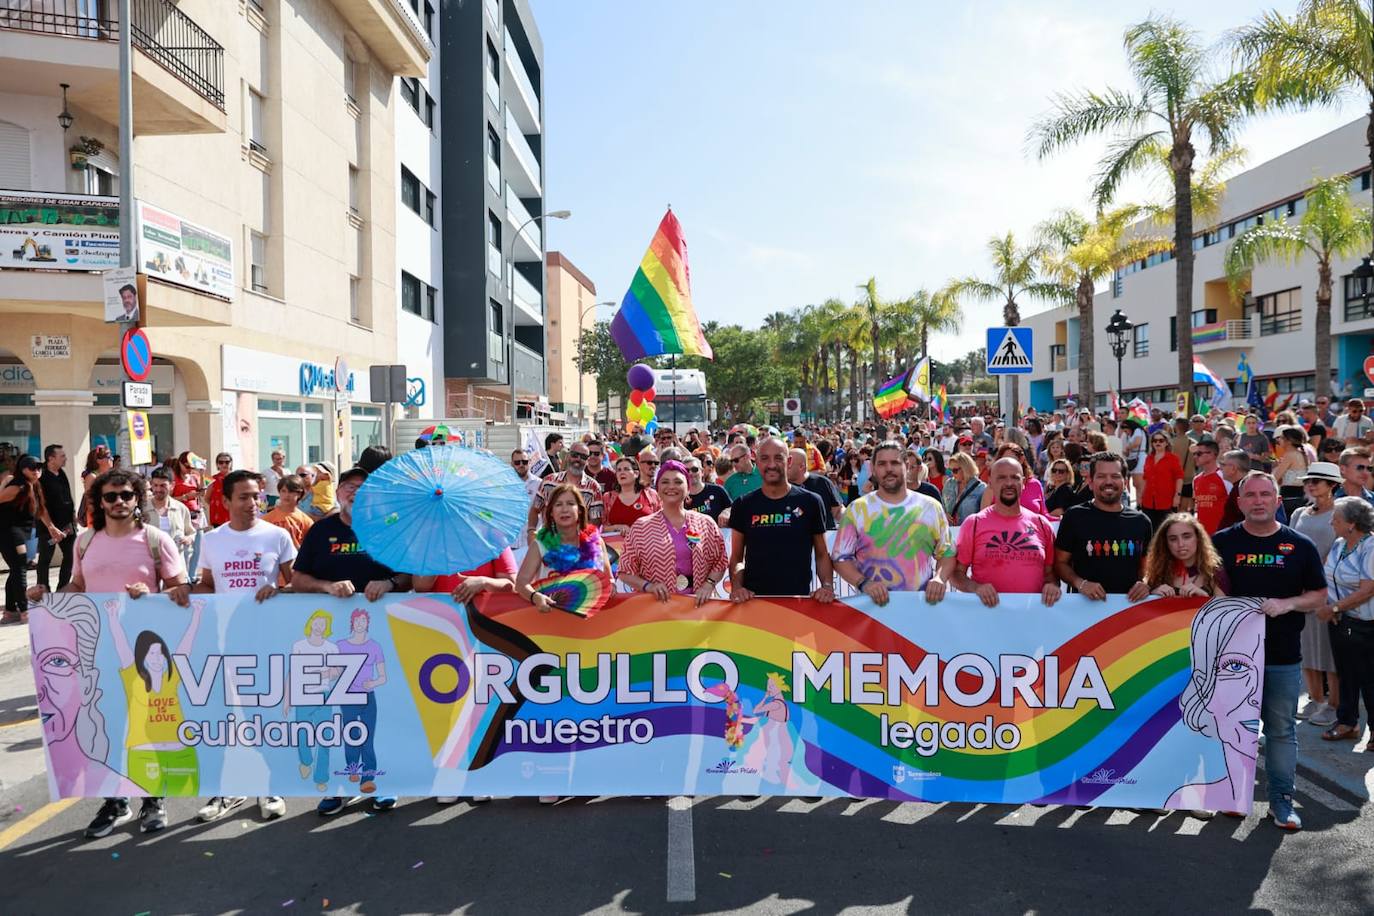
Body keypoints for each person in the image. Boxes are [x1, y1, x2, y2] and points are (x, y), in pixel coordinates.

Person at [32, 468, 191, 837]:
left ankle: (154, 798)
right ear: (99, 502)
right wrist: (48, 601)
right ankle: (115, 801)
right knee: (107, 727)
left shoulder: (155, 540)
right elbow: (77, 584)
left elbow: (181, 590)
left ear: (138, 499)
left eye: (126, 495)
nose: (119, 502)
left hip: (145, 654)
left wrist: (149, 595)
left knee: (147, 728)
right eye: (111, 496)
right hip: (97, 650)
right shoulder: (85, 542)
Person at [291, 466, 410, 816]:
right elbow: (298, 579)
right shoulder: (321, 530)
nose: (356, 492)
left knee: (381, 720)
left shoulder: (388, 529)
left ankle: (379, 784)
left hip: (382, 640)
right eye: (350, 486)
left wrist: (389, 583)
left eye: (364, 487)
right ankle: (341, 787)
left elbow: (410, 574)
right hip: (333, 647)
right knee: (340, 722)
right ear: (338, 492)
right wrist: (327, 587)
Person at [1213, 472, 1329, 830]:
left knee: (1279, 731)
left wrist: (1288, 603)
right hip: (1232, 659)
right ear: (1240, 501)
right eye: (1252, 495)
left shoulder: (1300, 545)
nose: (1259, 500)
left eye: (1266, 494)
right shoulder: (1220, 543)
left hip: (1281, 656)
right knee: (1233, 729)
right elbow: (1206, 590)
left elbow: (1319, 596)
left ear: (1278, 500)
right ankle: (1233, 796)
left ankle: (1281, 801)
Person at [191, 469, 296, 823]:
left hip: (267, 641)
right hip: (224, 641)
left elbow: (297, 586)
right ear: (225, 502)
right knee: (226, 718)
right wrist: (182, 591)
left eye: (257, 496)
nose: (252, 503)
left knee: (262, 716)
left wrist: (279, 591)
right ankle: (228, 790)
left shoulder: (277, 536)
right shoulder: (213, 540)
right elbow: (207, 586)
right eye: (244, 497)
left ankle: (271, 785)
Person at [832, 440, 954, 605]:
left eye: (895, 463)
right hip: (872, 612)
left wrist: (940, 578)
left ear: (906, 465)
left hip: (921, 607)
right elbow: (840, 559)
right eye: (882, 464)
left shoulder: (930, 507)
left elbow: (947, 553)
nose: (889, 469)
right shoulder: (857, 509)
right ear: (873, 469)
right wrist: (864, 583)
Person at [727, 437, 834, 603]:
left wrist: (827, 586)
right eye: (764, 458)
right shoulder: (743, 504)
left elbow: (822, 554)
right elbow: (737, 559)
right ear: (756, 460)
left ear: (788, 461)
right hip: (753, 604)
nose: (771, 464)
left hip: (798, 603)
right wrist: (737, 587)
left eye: (778, 458)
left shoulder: (811, 501)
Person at [951, 457, 1060, 607]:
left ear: (1023, 483)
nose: (1009, 483)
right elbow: (956, 574)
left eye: (1014, 477)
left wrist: (1052, 586)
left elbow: (1051, 574)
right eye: (1001, 478)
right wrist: (975, 588)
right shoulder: (974, 523)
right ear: (990, 483)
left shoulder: (1042, 524)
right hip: (987, 617)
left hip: (1032, 617)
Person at [619, 460, 727, 606]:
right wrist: (648, 586)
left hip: (700, 609)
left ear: (688, 488)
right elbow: (625, 571)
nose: (671, 487)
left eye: (678, 482)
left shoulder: (706, 523)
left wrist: (709, 584)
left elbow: (720, 561)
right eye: (665, 482)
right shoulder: (641, 527)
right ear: (657, 488)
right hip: (656, 609)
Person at [1053, 452, 1152, 602]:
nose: (1108, 481)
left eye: (1115, 476)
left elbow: (1147, 568)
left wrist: (1145, 584)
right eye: (1101, 476)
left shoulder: (1141, 521)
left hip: (1129, 611)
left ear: (1125, 482)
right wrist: (1081, 584)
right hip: (1084, 609)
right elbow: (1060, 563)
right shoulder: (1074, 517)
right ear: (1091, 482)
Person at [1289, 463, 1343, 728]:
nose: (1311, 485)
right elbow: (1289, 548)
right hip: (1300, 590)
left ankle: (1334, 705)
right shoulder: (1299, 512)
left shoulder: (1342, 513)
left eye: (1318, 481)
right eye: (1309, 480)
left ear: (1332, 485)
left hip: (1329, 590)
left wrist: (1316, 575)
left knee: (1329, 652)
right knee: (1306, 647)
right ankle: (1315, 698)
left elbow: (1341, 549)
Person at [1317, 497, 1374, 748]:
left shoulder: (1370, 547)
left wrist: (1335, 607)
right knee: (1345, 674)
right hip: (1339, 620)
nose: (1331, 522)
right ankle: (1347, 723)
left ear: (1351, 523)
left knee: (1369, 679)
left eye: (1336, 519)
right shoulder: (1340, 544)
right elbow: (1327, 575)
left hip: (1364, 624)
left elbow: (1369, 589)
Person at [0, 455, 61, 624]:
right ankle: (25, 611)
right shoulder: (17, 486)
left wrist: (52, 527)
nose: (36, 471)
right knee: (20, 567)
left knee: (16, 569)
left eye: (39, 467)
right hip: (9, 532)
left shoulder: (33, 486)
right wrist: (4, 484)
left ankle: (11, 611)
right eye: (32, 467)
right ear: (22, 469)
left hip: (23, 532)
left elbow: (41, 511)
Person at [526, 441, 604, 538]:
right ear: (567, 456)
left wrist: (585, 541)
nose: (578, 459)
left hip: (578, 543)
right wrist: (531, 530)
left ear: (587, 460)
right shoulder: (548, 481)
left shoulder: (593, 487)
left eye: (583, 457)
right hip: (549, 541)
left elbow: (595, 521)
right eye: (575, 455)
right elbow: (535, 509)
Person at [1143, 514, 1227, 598]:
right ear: (1165, 543)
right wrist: (1152, 596)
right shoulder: (1157, 572)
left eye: (1186, 537)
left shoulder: (1215, 573)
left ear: (1198, 538)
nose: (1180, 544)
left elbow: (1223, 608)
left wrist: (1204, 598)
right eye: (1173, 539)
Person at [37, 444, 74, 595]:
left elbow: (67, 497)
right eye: (62, 456)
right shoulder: (42, 477)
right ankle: (43, 590)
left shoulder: (61, 473)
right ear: (51, 458)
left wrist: (73, 518)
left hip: (67, 526)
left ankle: (62, 588)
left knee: (71, 556)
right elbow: (41, 506)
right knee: (45, 559)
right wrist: (51, 527)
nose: (65, 459)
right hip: (49, 528)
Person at [147, 468, 196, 571]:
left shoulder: (181, 509)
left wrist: (189, 539)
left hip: (176, 565)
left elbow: (191, 533)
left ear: (172, 485)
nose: (158, 489)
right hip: (150, 566)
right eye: (155, 485)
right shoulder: (143, 509)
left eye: (163, 486)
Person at [601, 456, 660, 536]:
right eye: (619, 470)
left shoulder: (651, 494)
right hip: (616, 546)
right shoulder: (608, 497)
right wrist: (617, 527)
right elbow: (602, 528)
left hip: (647, 544)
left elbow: (661, 522)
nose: (622, 472)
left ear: (636, 473)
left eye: (626, 469)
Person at [1139, 429, 1184, 530]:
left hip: (1166, 500)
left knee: (1165, 529)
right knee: (1150, 528)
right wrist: (1140, 496)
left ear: (1166, 442)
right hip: (1148, 500)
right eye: (1155, 441)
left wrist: (1177, 496)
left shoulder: (1173, 458)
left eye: (1161, 440)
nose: (1157, 443)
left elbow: (1179, 477)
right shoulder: (1149, 458)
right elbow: (1145, 478)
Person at [788, 448, 842, 530]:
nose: (783, 468)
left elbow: (837, 509)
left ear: (801, 466)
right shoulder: (783, 487)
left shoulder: (823, 482)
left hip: (826, 536)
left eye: (789, 464)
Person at [1272, 425, 1315, 518]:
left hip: (1289, 496)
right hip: (1300, 495)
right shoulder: (1301, 454)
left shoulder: (1290, 455)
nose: (1279, 440)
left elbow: (1275, 478)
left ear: (1289, 441)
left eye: (1282, 438)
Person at [261, 474, 314, 548]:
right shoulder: (266, 519)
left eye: (291, 492)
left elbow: (310, 549)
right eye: (283, 491)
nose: (287, 495)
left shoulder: (306, 521)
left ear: (299, 494)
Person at [1191, 438, 1229, 536]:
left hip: (1222, 534)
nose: (1195, 457)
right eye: (1194, 454)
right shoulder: (1196, 479)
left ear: (1212, 454)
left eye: (1199, 454)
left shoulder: (1225, 476)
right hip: (1203, 536)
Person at [684, 455, 731, 524]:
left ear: (702, 472)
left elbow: (732, 507)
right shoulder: (680, 497)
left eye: (694, 469)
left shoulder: (717, 490)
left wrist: (726, 512)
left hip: (718, 532)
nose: (690, 473)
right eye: (686, 470)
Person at [944, 452, 986, 524]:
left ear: (965, 469)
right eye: (950, 470)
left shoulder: (981, 488)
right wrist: (944, 514)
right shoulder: (949, 484)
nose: (952, 474)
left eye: (955, 470)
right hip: (951, 531)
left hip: (970, 532)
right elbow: (943, 505)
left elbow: (984, 517)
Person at [206, 453, 232, 528]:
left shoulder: (236, 478)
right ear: (217, 464)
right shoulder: (211, 479)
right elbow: (207, 498)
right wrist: (218, 505)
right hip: (218, 518)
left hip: (232, 516)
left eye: (227, 462)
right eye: (221, 462)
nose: (224, 464)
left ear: (231, 463)